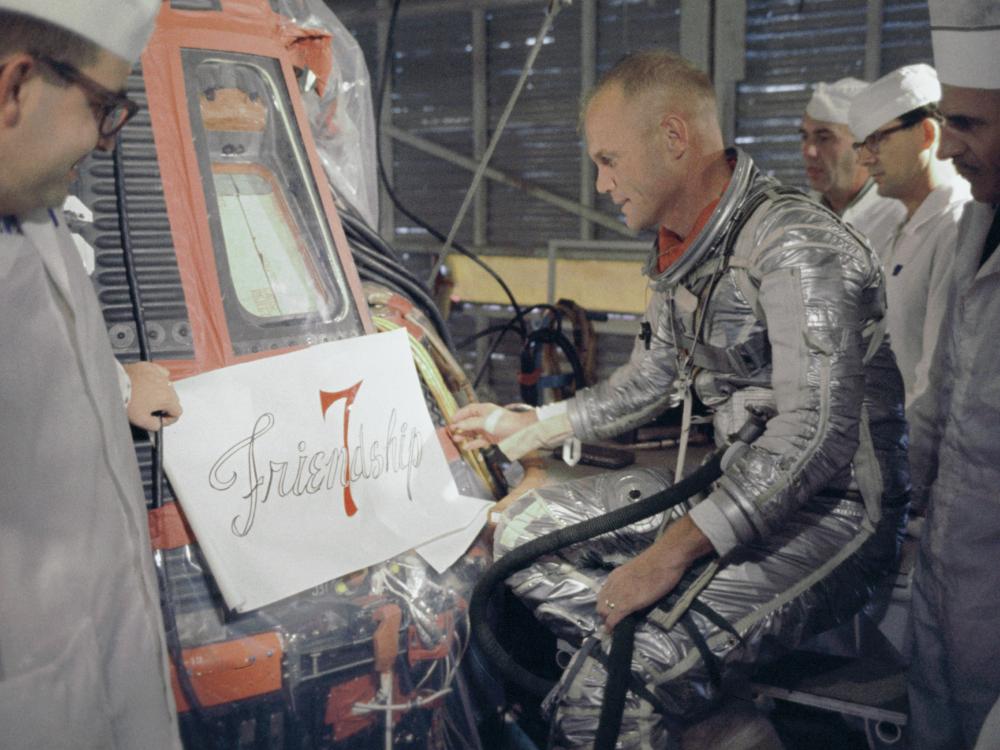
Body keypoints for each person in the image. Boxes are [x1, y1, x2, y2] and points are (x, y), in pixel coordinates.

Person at [453, 50, 909, 748]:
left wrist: (668, 554)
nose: (601, 184)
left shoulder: (797, 245)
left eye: (608, 160)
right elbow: (650, 379)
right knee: (511, 533)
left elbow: (813, 439)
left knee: (609, 691)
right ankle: (691, 704)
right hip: (737, 495)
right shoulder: (682, 252)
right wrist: (533, 424)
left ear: (673, 138)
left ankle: (629, 685)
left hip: (838, 515)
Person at [0, 2, 182, 748]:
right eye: (104, 108)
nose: (106, 144)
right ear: (16, 85)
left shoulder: (31, 214)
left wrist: (116, 383)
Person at [905, 1, 1000, 747]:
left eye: (971, 126)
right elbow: (942, 396)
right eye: (951, 121)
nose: (954, 148)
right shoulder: (978, 222)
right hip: (948, 564)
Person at [848, 64, 971, 407]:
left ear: (927, 134)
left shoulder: (954, 226)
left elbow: (936, 378)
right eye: (861, 144)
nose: (866, 159)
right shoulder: (902, 228)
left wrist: (903, 457)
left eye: (876, 140)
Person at [800, 77, 906, 261]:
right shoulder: (800, 215)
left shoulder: (898, 217)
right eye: (804, 136)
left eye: (824, 138)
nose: (809, 151)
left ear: (866, 144)